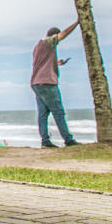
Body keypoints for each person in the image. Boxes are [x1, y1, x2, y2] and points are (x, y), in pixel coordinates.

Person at [31, 20, 82, 148]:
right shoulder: (49, 42)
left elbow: (42, 63)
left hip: (36, 83)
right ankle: (68, 140)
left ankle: (45, 141)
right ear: (54, 36)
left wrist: (57, 62)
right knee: (58, 113)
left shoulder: (38, 46)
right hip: (47, 83)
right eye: (57, 39)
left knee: (42, 115)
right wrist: (76, 23)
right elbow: (64, 34)